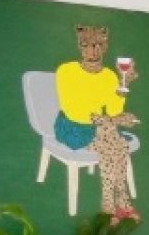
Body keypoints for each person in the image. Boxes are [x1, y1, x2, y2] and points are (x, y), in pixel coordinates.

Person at [53, 24, 140, 220]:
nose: (93, 51)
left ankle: (113, 205)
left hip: (100, 128)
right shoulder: (66, 71)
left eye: (99, 45)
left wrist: (124, 84)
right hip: (73, 127)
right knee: (114, 142)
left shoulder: (109, 75)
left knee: (115, 144)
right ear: (80, 46)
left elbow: (114, 109)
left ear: (105, 46)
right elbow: (72, 109)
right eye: (87, 45)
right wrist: (112, 121)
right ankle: (116, 203)